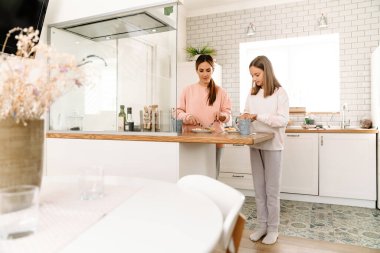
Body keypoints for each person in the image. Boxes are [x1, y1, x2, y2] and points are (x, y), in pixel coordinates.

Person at [240, 55, 289, 245]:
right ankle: (261, 226)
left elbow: (282, 120)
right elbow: (247, 114)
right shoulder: (252, 94)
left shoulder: (279, 93)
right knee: (259, 189)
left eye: (257, 74)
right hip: (255, 144)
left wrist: (257, 115)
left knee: (272, 189)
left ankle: (273, 228)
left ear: (266, 72)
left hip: (273, 145)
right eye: (252, 75)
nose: (254, 79)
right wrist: (244, 118)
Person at [176, 54, 232, 178]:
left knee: (212, 177)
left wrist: (222, 116)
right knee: (192, 177)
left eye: (208, 70)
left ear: (213, 70)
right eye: (201, 70)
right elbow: (178, 112)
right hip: (191, 139)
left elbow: (228, 114)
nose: (205, 74)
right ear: (196, 71)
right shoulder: (187, 90)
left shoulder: (221, 92)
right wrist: (187, 116)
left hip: (215, 139)